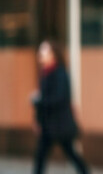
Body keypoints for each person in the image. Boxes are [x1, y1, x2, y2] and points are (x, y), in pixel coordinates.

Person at [32, 40, 89, 174]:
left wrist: (38, 100)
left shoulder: (60, 74)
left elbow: (59, 98)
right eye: (41, 50)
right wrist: (38, 120)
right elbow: (44, 102)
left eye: (44, 50)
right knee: (40, 156)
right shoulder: (44, 73)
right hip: (48, 125)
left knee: (71, 154)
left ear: (53, 54)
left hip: (60, 124)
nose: (41, 53)